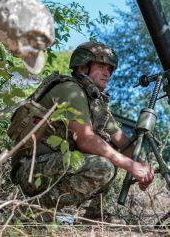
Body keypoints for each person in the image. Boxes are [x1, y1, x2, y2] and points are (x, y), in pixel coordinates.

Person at [9, 41, 154, 221]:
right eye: (101, 66)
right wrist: (131, 166)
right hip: (30, 168)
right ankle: (36, 209)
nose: (107, 73)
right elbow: (86, 140)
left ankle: (92, 217)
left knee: (110, 153)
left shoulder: (94, 103)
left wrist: (143, 165)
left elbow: (122, 142)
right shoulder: (71, 90)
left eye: (110, 69)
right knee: (103, 165)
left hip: (49, 165)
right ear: (83, 68)